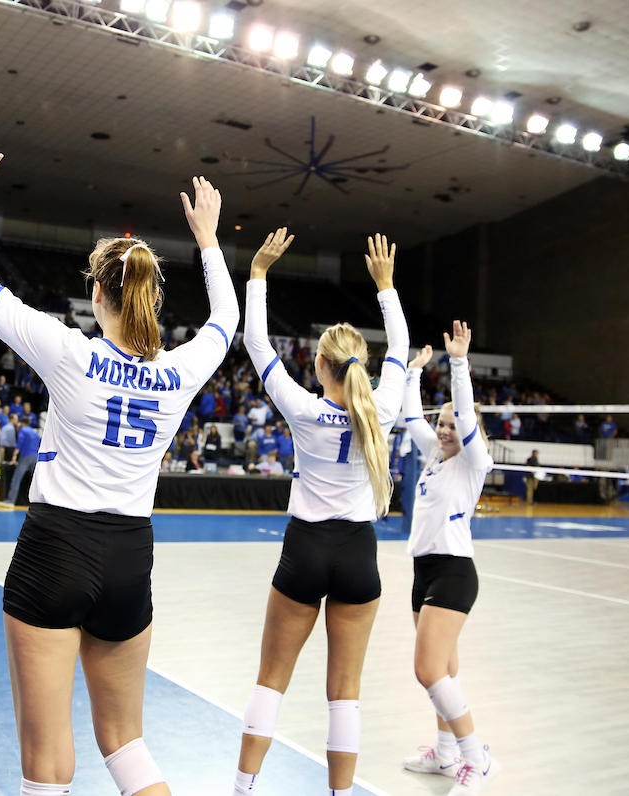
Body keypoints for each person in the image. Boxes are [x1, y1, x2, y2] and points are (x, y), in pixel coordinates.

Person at [0, 127, 236, 796]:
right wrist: (209, 240)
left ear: (97, 296)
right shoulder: (181, 371)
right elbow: (226, 318)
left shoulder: (69, 351)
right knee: (127, 743)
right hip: (130, 554)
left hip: (57, 547)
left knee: (46, 760)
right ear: (152, 300)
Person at [235, 230, 409, 796]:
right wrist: (385, 285)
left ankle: (242, 789)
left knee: (271, 682)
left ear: (318, 365)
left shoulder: (304, 409)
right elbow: (402, 347)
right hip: (358, 553)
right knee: (345, 693)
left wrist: (258, 274)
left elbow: (256, 344)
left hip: (306, 547)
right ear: (362, 366)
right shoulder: (381, 409)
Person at [399, 327, 499, 795]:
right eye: (440, 424)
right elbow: (411, 416)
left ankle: (477, 760)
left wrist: (458, 363)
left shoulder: (473, 461)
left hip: (454, 571)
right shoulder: (435, 455)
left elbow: (464, 411)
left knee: (428, 670)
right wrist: (413, 374)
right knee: (444, 669)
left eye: (452, 425)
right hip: (423, 571)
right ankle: (444, 754)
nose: (443, 430)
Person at [1, 416, 41, 508]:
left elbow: (20, 443)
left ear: (22, 423)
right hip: (35, 456)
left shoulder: (22, 430)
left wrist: (14, 455)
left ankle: (10, 501)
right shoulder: (35, 432)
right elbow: (39, 445)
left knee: (16, 479)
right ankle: (40, 503)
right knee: (36, 481)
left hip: (26, 456)